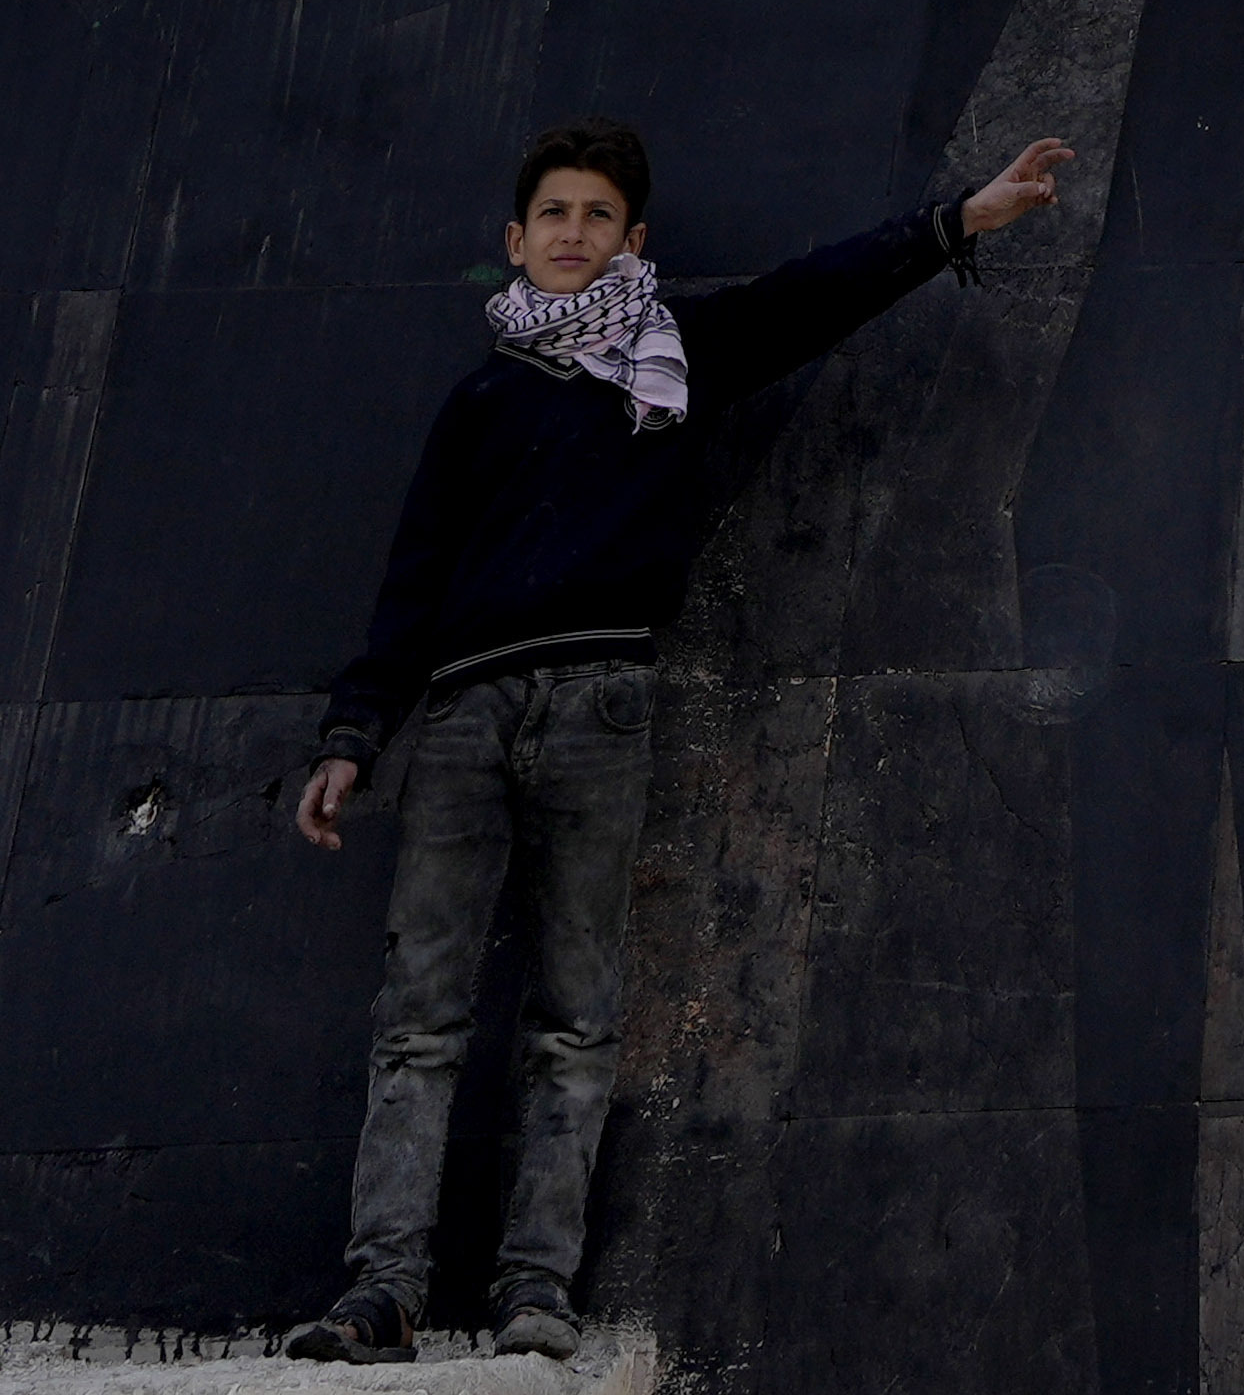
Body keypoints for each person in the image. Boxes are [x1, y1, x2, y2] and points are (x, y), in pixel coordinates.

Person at [280, 112, 1077, 1361]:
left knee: (574, 1015)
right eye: (554, 215)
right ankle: (379, 1291)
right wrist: (353, 731)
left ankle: (533, 1292)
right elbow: (413, 580)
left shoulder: (670, 354)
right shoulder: (479, 403)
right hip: (463, 714)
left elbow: (809, 300)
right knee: (419, 1018)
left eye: (599, 217)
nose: (574, 235)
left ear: (632, 239)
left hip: (601, 702)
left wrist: (954, 225)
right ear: (515, 239)